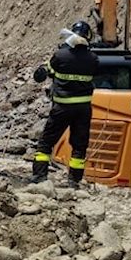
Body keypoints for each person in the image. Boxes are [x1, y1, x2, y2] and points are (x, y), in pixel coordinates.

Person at [31, 20, 100, 187]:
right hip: (83, 109)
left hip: (62, 108)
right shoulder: (93, 59)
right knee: (79, 145)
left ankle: (40, 177)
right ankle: (74, 181)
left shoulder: (61, 56)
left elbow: (44, 73)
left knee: (46, 141)